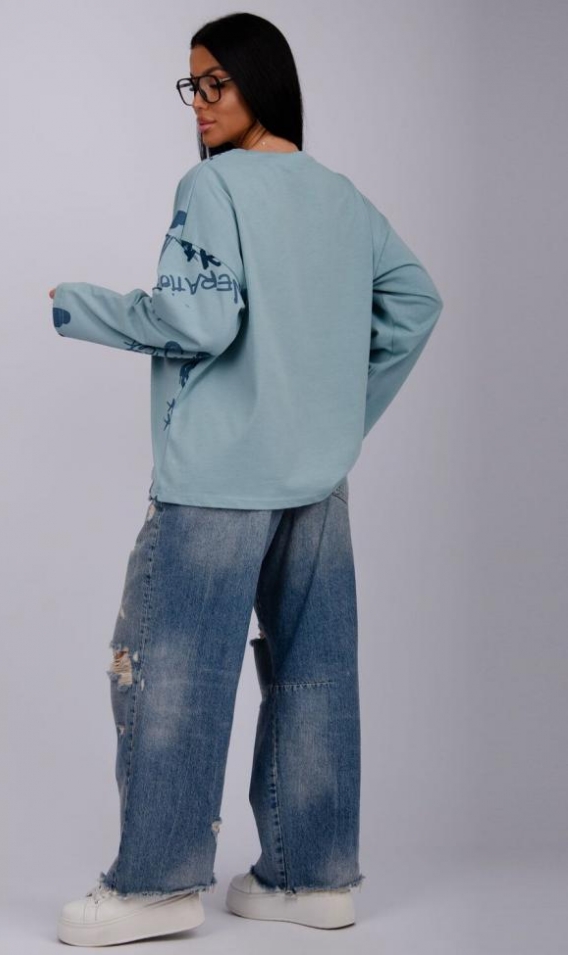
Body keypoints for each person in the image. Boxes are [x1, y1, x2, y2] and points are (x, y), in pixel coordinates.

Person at [52, 11, 444, 947]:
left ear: (263, 82)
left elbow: (198, 322)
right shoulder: (341, 197)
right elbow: (416, 302)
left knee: (173, 673)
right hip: (317, 482)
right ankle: (311, 878)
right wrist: (337, 417)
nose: (200, 104)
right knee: (314, 673)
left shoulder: (214, 184)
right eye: (192, 86)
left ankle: (156, 885)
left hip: (218, 483)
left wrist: (78, 305)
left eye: (217, 83)